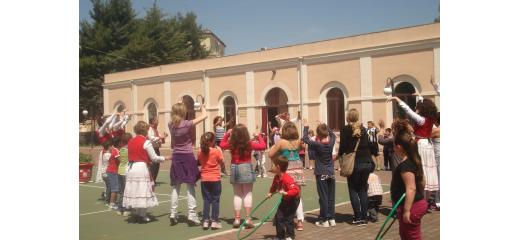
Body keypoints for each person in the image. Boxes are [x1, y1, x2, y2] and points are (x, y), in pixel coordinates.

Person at [389, 95, 439, 210]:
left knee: (420, 170)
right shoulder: (431, 119)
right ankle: (425, 203)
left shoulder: (421, 120)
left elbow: (408, 110)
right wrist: (420, 97)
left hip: (421, 144)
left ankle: (418, 201)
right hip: (429, 145)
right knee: (427, 170)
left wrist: (397, 99)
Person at [168, 102, 208, 226]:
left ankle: (173, 213)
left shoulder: (170, 125)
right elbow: (205, 115)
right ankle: (192, 214)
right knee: (190, 186)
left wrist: (179, 101)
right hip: (187, 156)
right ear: (183, 112)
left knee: (176, 186)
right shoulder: (187, 124)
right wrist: (202, 107)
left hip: (176, 156)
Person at [220, 124, 266, 228]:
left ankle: (237, 219)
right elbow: (263, 146)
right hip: (246, 167)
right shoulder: (249, 143)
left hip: (235, 167)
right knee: (247, 194)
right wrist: (259, 136)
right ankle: (248, 218)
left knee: (237, 194)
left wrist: (227, 134)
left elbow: (222, 145)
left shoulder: (232, 144)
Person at [122, 121, 170, 223]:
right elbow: (154, 158)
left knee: (135, 190)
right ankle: (142, 215)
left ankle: (136, 212)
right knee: (143, 190)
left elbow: (134, 154)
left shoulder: (130, 141)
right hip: (140, 168)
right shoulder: (146, 142)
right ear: (145, 130)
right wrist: (167, 157)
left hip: (131, 167)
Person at [337, 109, 373, 226]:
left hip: (354, 162)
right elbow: (369, 144)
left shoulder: (345, 129)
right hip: (367, 161)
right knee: (363, 189)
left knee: (353, 189)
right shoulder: (363, 129)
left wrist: (339, 157)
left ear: (348, 117)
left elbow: (343, 147)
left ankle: (358, 217)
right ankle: (364, 216)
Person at [391, 130, 428, 239]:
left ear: (398, 147)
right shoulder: (414, 160)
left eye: (393, 146)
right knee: (406, 234)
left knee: (411, 236)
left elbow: (411, 188)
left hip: (412, 206)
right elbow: (422, 182)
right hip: (415, 204)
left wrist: (407, 211)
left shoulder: (405, 166)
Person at [268, 122, 305, 231]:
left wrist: (277, 159)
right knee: (297, 195)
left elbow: (270, 154)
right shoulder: (298, 142)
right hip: (298, 167)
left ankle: (286, 217)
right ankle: (300, 221)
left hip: (287, 168)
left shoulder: (281, 142)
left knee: (287, 194)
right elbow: (302, 150)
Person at [302, 119, 336, 228]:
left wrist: (306, 126)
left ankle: (324, 219)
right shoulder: (331, 142)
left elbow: (305, 139)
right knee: (331, 196)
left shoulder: (317, 144)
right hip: (331, 173)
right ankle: (331, 218)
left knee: (324, 197)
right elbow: (333, 135)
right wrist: (324, 125)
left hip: (321, 173)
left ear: (318, 134)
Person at [267, 156, 301, 240]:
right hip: (285, 199)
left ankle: (290, 236)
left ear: (278, 167)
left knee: (288, 218)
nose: (272, 167)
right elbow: (274, 186)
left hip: (293, 200)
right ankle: (280, 236)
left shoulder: (287, 178)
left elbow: (295, 190)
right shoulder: (276, 177)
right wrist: (270, 193)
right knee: (278, 217)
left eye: (273, 165)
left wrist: (286, 192)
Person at [197, 132, 225, 230]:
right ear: (212, 141)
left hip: (204, 178)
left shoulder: (200, 151)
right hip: (215, 178)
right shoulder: (216, 151)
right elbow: (221, 161)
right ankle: (214, 221)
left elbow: (200, 162)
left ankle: (205, 220)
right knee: (215, 200)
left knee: (206, 200)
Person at [147, 116, 168, 183]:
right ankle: (151, 180)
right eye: (156, 120)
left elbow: (160, 140)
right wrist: (160, 137)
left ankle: (154, 180)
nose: (158, 122)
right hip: (152, 149)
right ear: (153, 121)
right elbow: (151, 138)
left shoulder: (156, 129)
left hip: (156, 149)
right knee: (153, 165)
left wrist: (163, 137)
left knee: (156, 165)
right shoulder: (149, 129)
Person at [117, 133, 132, 216]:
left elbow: (120, 159)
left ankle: (120, 209)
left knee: (121, 191)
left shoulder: (121, 149)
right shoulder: (128, 150)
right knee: (127, 191)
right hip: (126, 172)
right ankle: (127, 209)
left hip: (120, 171)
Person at [106, 137, 121, 211]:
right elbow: (120, 159)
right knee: (115, 189)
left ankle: (113, 203)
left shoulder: (115, 150)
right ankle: (112, 204)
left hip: (113, 171)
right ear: (118, 143)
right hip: (112, 171)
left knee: (115, 188)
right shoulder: (116, 150)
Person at [431, 112, 440, 210]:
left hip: (438, 157)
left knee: (439, 179)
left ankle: (438, 201)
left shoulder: (436, 130)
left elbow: (424, 135)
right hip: (438, 156)